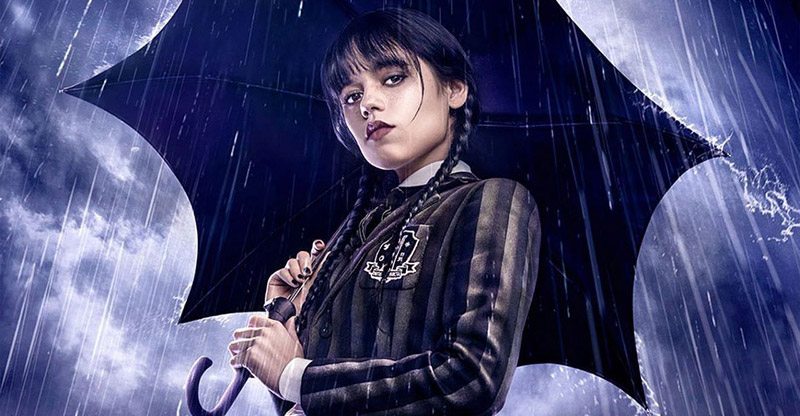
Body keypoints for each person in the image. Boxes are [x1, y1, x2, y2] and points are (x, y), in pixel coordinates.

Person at [227, 8, 541, 415]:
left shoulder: (490, 201)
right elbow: (315, 402)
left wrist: (295, 375)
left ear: (454, 89)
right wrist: (291, 330)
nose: (367, 105)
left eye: (393, 78)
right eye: (351, 96)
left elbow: (471, 375)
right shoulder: (351, 237)